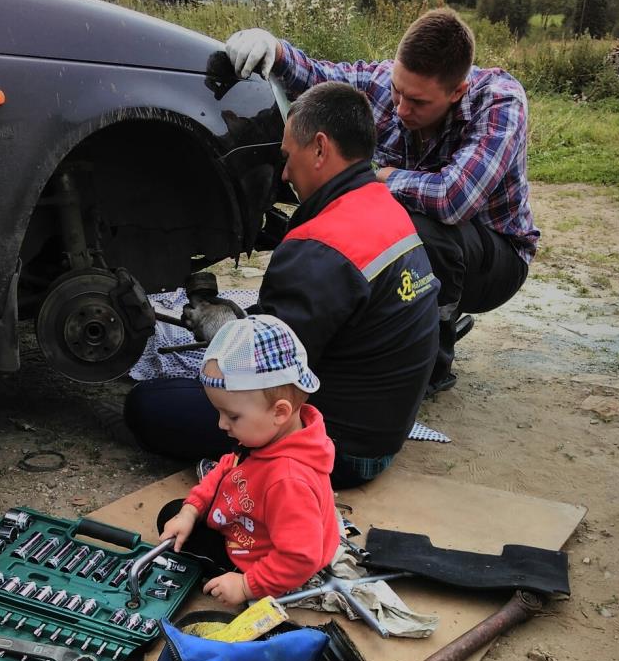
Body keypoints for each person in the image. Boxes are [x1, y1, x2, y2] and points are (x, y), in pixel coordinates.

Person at [125, 81, 439, 488]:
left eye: (289, 157)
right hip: (382, 427)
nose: (286, 173)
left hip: (341, 450)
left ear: (321, 148)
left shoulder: (321, 244)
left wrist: (223, 328)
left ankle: (263, 470)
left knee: (148, 405)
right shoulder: (385, 207)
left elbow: (264, 368)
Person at [226, 7, 540, 391]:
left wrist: (381, 180)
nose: (401, 108)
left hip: (496, 259)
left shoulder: (500, 102)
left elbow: (452, 199)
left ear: (457, 91)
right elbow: (325, 81)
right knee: (387, 227)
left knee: (417, 229)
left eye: (419, 103)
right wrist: (275, 50)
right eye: (397, 90)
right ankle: (396, 326)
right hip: (438, 239)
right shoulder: (391, 87)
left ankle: (430, 362)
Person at [157, 314, 340, 605]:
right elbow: (225, 470)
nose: (221, 424)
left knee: (184, 541)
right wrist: (191, 511)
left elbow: (300, 556)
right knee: (174, 514)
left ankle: (245, 576)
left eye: (232, 416)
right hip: (253, 528)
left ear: (280, 412)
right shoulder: (265, 438)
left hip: (269, 562)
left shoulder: (288, 480)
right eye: (219, 412)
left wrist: (247, 585)